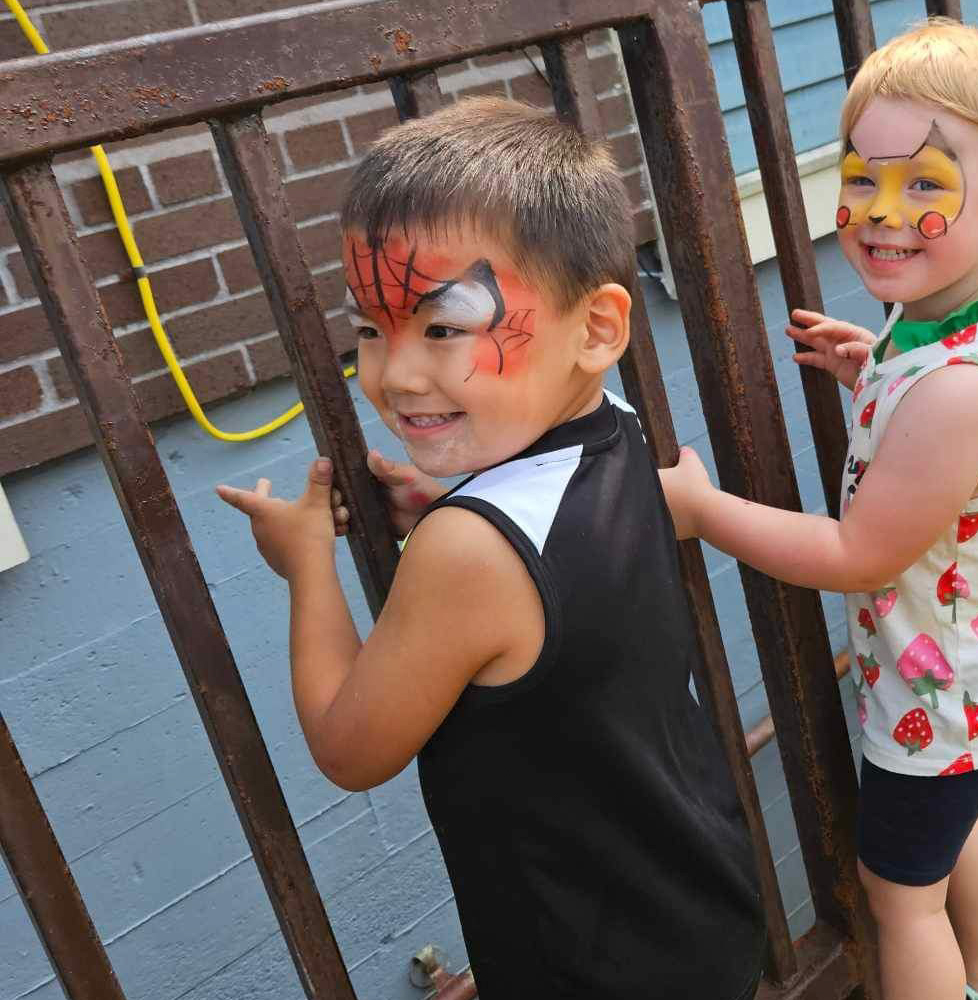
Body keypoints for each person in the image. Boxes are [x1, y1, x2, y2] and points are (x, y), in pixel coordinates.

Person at [217, 96, 765, 1000]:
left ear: (596, 328)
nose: (393, 374)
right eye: (368, 328)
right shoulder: (616, 427)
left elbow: (352, 750)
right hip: (696, 906)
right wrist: (445, 498)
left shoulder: (467, 552)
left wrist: (308, 560)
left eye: (442, 327)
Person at [658, 19, 978, 1000]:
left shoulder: (958, 388)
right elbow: (956, 461)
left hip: (945, 702)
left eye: (925, 184)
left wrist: (703, 508)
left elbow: (857, 551)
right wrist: (875, 368)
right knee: (955, 828)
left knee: (897, 892)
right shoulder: (977, 305)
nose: (878, 213)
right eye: (861, 177)